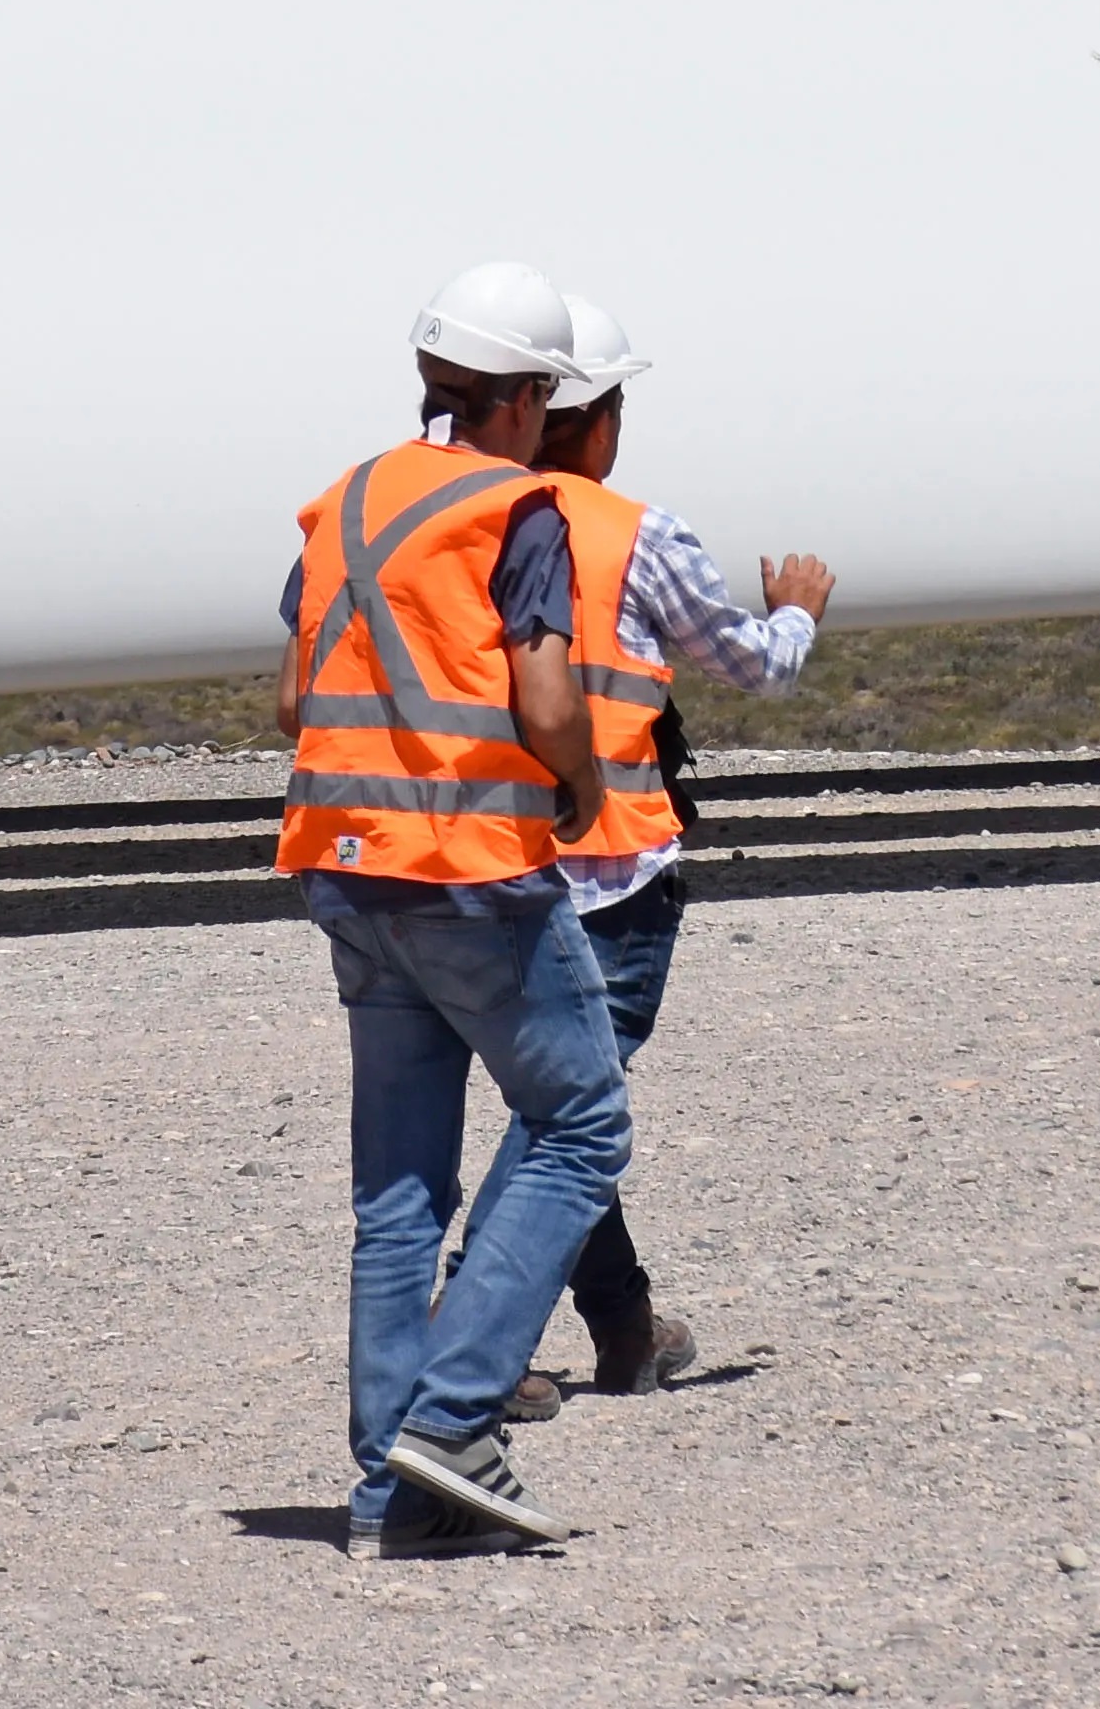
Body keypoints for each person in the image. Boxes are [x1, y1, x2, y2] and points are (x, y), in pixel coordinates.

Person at [276, 261, 630, 1557]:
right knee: (581, 1123)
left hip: (345, 868)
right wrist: (583, 783)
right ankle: (458, 1413)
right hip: (470, 871)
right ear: (528, 397)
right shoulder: (515, 508)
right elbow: (544, 701)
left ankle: (393, 1496)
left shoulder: (344, 504)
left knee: (399, 1190)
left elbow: (288, 699)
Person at [483, 293, 830, 1416]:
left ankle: (624, 1326)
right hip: (615, 869)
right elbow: (755, 667)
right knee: (568, 1117)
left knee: (561, 1099)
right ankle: (480, 1331)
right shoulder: (637, 534)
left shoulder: (467, 521)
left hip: (489, 860)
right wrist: (796, 614)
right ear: (595, 418)